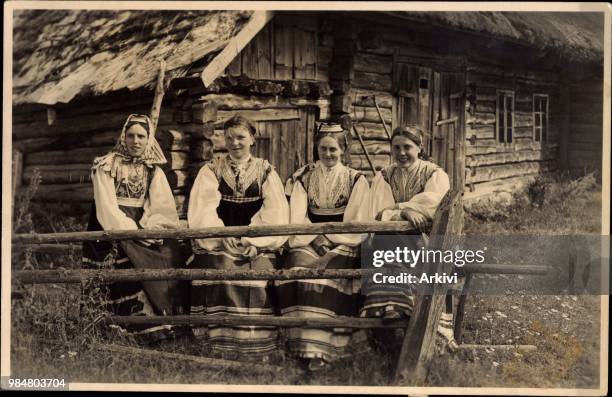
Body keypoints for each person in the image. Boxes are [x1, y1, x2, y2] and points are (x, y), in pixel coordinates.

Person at [187, 114, 289, 360]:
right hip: (219, 238)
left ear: (252, 139)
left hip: (257, 241)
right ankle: (219, 340)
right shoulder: (211, 169)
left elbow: (274, 211)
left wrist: (255, 242)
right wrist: (221, 235)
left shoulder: (265, 171)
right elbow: (203, 208)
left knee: (257, 272)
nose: (235, 143)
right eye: (229, 137)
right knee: (220, 265)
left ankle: (255, 341)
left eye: (241, 137)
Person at [82, 114, 187, 344]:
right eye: (131, 136)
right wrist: (132, 231)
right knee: (128, 256)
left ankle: (173, 320)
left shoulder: (152, 170)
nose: (136, 141)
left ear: (149, 139)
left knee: (172, 251)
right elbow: (106, 208)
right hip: (111, 229)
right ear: (123, 137)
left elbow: (161, 206)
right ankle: (135, 327)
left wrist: (151, 228)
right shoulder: (106, 165)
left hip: (142, 228)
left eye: (141, 136)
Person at [275, 123, 371, 371]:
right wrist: (315, 237)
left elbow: (356, 220)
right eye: (323, 149)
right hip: (308, 238)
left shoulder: (356, 180)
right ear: (316, 149)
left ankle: (328, 347)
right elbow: (297, 216)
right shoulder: (303, 178)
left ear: (344, 150)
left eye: (333, 150)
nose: (328, 155)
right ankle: (299, 345)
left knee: (329, 276)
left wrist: (331, 238)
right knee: (298, 270)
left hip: (344, 241)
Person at [360, 125, 459, 351]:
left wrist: (398, 207)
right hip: (390, 237)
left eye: (408, 147)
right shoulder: (384, 176)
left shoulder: (434, 174)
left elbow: (434, 206)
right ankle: (390, 309)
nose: (402, 153)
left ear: (420, 148)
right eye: (397, 148)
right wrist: (405, 212)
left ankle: (400, 307)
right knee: (387, 239)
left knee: (394, 242)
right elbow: (377, 212)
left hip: (426, 241)